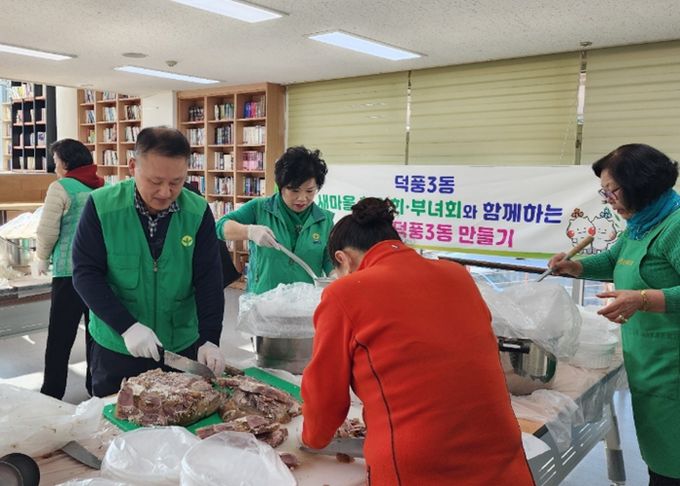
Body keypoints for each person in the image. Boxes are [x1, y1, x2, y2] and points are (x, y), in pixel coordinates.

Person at [301, 198, 534, 485]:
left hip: (420, 465)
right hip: (501, 452)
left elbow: (326, 396)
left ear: (343, 259)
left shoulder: (345, 293)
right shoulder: (457, 274)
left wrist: (312, 438)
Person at [548, 143, 680, 486]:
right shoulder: (642, 225)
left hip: (673, 367)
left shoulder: (675, 226)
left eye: (612, 191)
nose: (608, 200)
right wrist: (575, 266)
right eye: (604, 192)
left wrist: (644, 298)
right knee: (661, 459)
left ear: (641, 184)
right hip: (650, 363)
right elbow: (612, 259)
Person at [72, 127, 225, 397]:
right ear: (133, 167)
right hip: (118, 346)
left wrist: (210, 338)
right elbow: (85, 274)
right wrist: (126, 326)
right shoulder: (102, 206)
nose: (165, 192)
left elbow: (209, 280)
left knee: (181, 416)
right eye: (155, 181)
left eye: (176, 182)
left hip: (180, 346)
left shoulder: (197, 211)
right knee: (115, 418)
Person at [35, 139, 104, 399]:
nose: (55, 168)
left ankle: (52, 392)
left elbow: (48, 230)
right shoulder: (102, 186)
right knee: (96, 334)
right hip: (99, 273)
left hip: (68, 272)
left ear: (66, 163)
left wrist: (41, 257)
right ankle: (95, 387)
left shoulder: (60, 187)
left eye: (56, 162)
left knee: (60, 336)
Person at [215, 146, 333, 294]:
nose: (302, 198)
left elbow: (330, 261)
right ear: (281, 187)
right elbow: (219, 227)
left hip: (304, 302)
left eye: (310, 191)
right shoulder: (259, 208)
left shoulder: (325, 220)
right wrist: (249, 231)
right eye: (294, 190)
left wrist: (335, 275)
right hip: (263, 300)